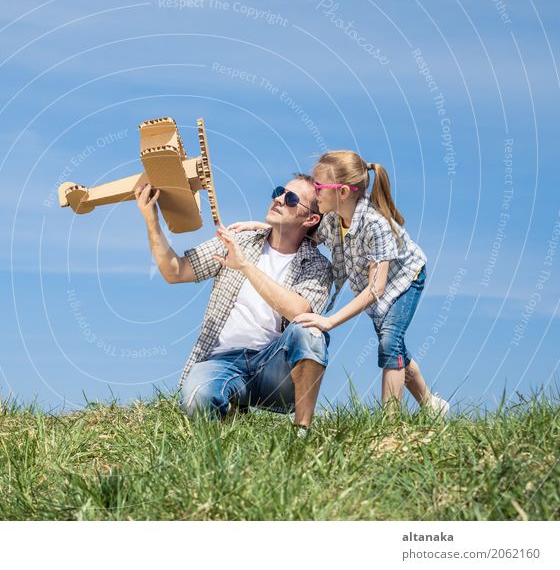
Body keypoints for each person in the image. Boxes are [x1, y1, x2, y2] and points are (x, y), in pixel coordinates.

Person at [231, 151, 449, 418]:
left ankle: (389, 424)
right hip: (375, 288)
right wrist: (260, 227)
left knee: (390, 342)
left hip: (404, 281)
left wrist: (329, 321)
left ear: (343, 192)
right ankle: (430, 403)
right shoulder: (333, 219)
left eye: (320, 187)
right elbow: (304, 232)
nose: (315, 192)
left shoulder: (376, 225)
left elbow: (376, 289)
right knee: (396, 346)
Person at [134, 174, 334, 429]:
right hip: (223, 360)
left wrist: (245, 266)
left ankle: (302, 430)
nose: (279, 199)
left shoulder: (318, 266)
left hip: (274, 366)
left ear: (311, 219)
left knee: (310, 331)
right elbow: (176, 271)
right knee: (198, 398)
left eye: (292, 199)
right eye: (280, 191)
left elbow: (299, 311)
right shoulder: (238, 241)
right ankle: (232, 410)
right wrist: (152, 222)